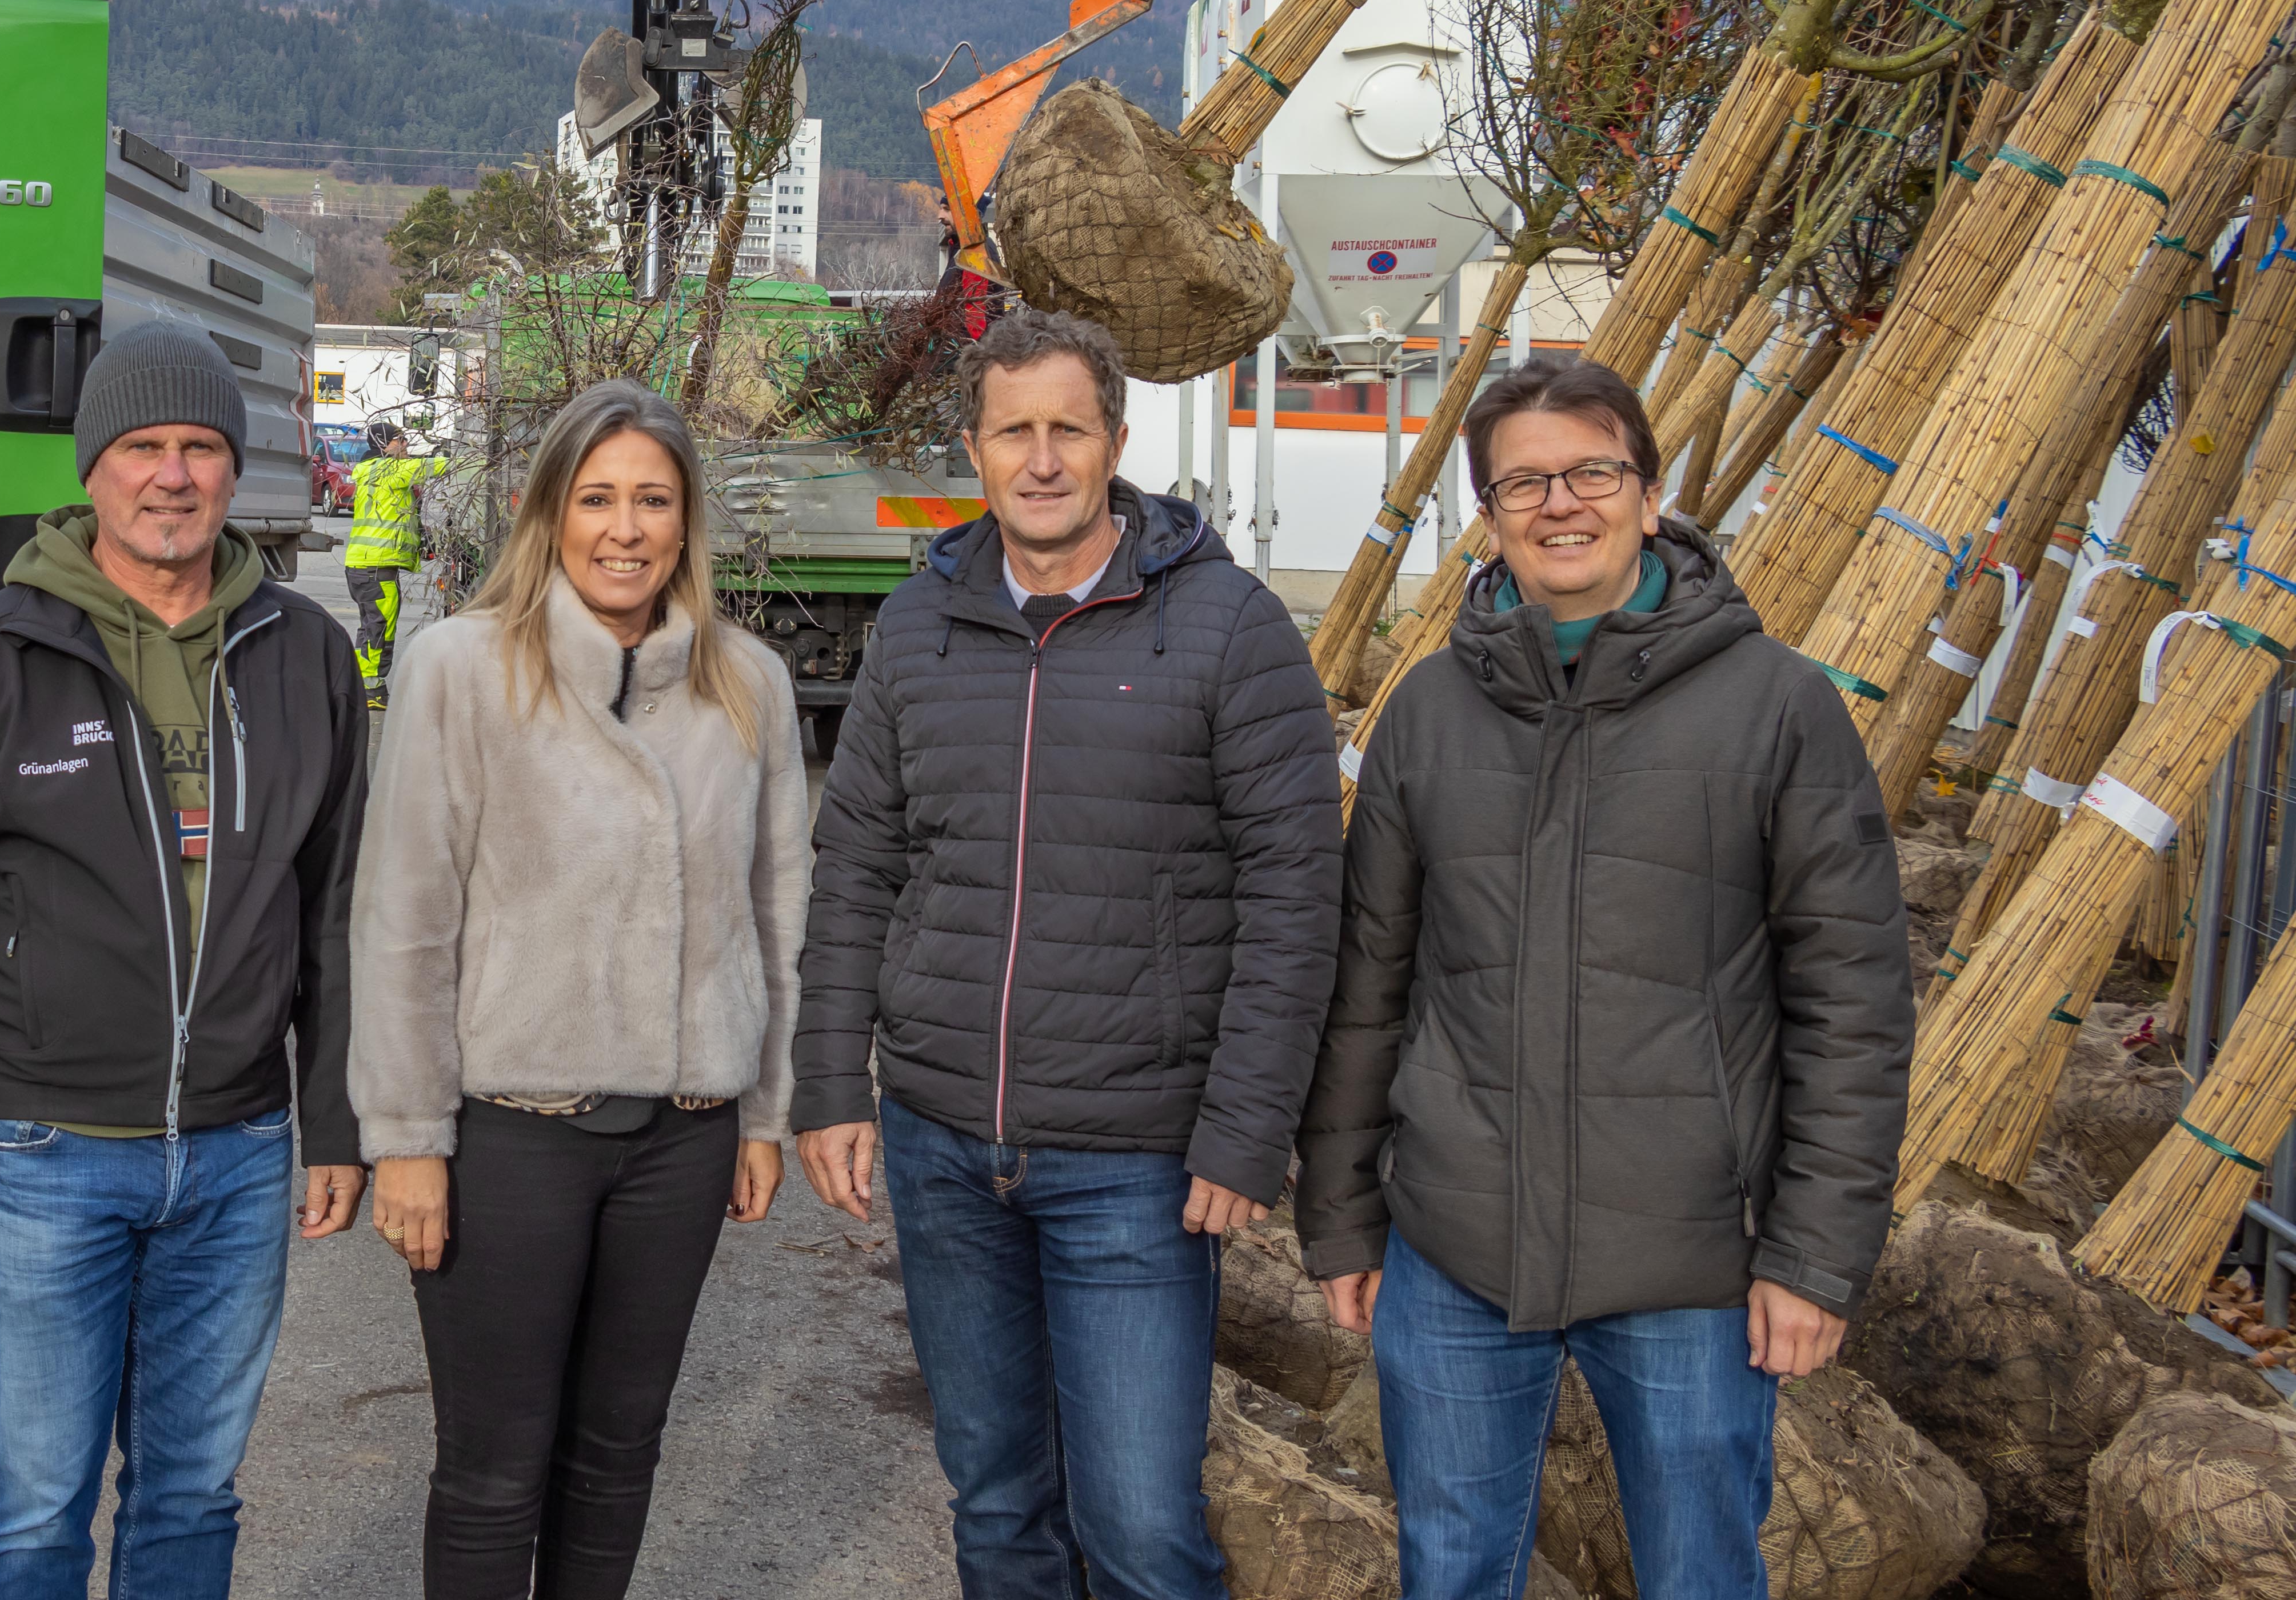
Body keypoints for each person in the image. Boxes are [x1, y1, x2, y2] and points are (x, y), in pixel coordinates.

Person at [1293, 354, 1912, 1600]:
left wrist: (1813, 1254)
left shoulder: (1778, 709)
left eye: (1591, 471)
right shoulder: (1428, 714)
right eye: (1523, 483)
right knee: (1451, 1571)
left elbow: (1853, 1004)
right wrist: (1345, 1214)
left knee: (1699, 1576)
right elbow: (1368, 988)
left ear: (1649, 490)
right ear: (1488, 513)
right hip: (1455, 1246)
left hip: (1694, 1261)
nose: (1560, 504)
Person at [793, 310, 1344, 1600]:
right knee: (996, 1504)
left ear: (1116, 441)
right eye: (1013, 432)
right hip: (941, 1144)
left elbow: (1294, 893)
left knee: (1142, 1528)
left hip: (1134, 1158)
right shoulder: (918, 627)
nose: (1041, 460)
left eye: (1068, 429)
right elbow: (857, 863)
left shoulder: (1227, 627)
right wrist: (828, 1084)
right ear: (973, 448)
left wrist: (1246, 1129)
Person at [0, 321, 371, 1600]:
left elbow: (340, 907)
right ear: (92, 468)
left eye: (199, 447)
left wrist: (339, 1122)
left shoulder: (304, 652)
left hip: (237, 1153)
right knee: (36, 1502)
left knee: (194, 1493)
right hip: (41, 1152)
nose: (171, 476)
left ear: (234, 468)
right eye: (142, 447)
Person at [353, 379, 810, 1600]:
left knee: (618, 1455)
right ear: (549, 510)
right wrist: (406, 1138)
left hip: (684, 1142)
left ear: (686, 519)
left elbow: (779, 912)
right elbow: (403, 922)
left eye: (653, 499)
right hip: (512, 1140)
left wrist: (764, 1112)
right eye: (598, 498)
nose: (625, 528)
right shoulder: (461, 668)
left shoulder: (747, 684)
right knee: (494, 1470)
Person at [348, 419, 450, 711]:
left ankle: (361, 685)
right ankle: (372, 691)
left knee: (370, 628)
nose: (406, 445)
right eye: (400, 440)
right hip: (376, 566)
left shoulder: (370, 470)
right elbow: (438, 467)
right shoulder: (391, 471)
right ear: (384, 445)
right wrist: (450, 453)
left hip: (364, 564)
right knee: (379, 629)